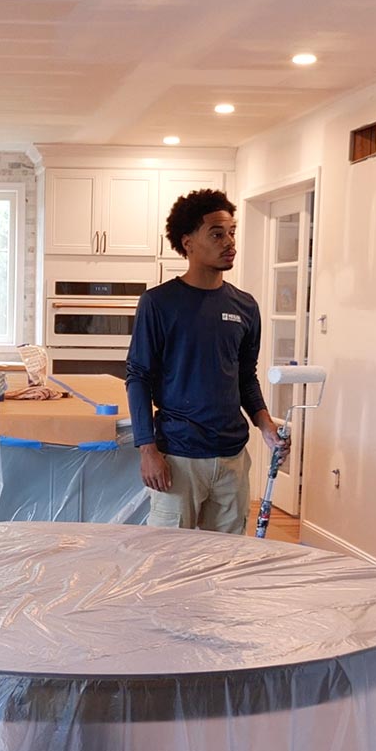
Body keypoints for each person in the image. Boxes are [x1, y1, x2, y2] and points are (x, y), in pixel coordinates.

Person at [125, 189, 285, 532]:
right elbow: (138, 376)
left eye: (231, 232)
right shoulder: (158, 303)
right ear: (188, 243)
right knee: (167, 557)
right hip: (178, 458)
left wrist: (264, 424)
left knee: (226, 558)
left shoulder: (245, 306)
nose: (229, 242)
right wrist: (147, 450)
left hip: (232, 458)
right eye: (216, 234)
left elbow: (245, 376)